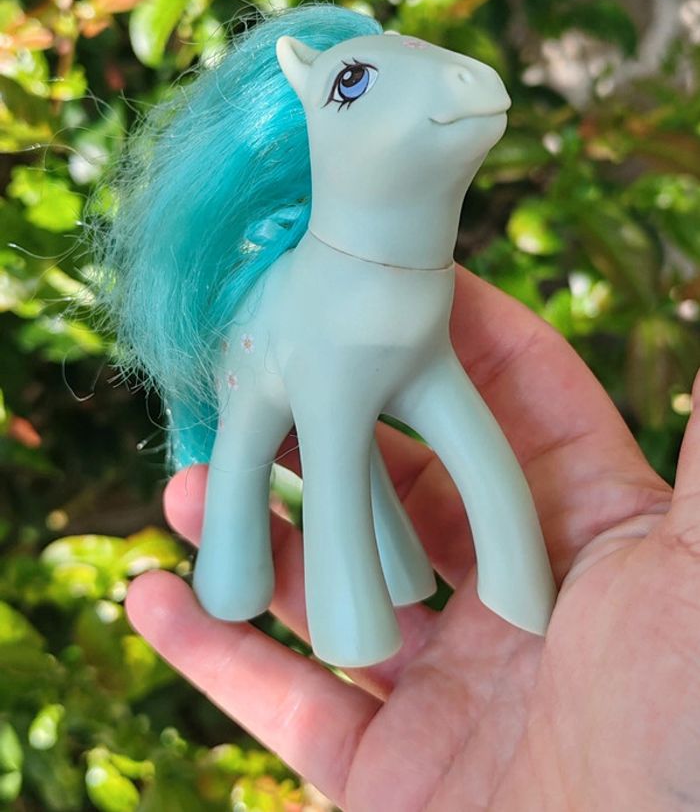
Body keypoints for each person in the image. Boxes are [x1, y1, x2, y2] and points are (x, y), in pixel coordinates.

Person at [126, 266, 700, 811]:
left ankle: (504, 583)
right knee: (286, 453)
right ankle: (254, 578)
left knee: (453, 445)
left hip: (411, 308)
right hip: (293, 352)